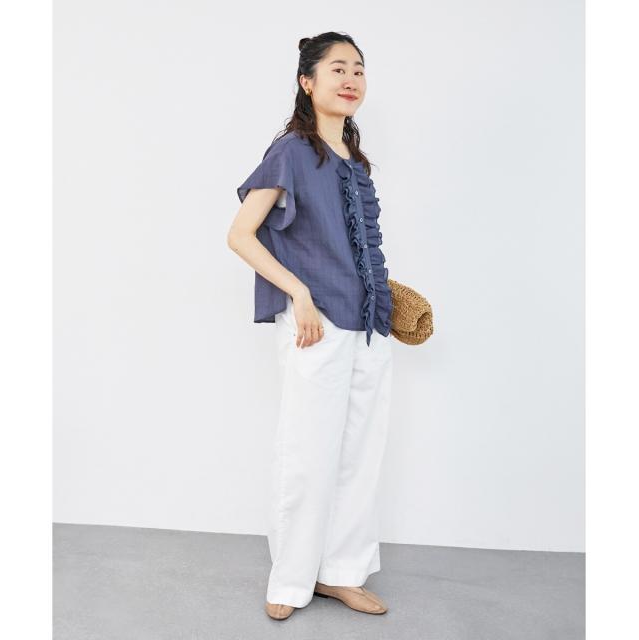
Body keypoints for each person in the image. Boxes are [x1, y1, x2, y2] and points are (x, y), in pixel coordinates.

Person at [227, 31, 394, 620]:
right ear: (307, 81)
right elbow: (240, 235)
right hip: (316, 325)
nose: (351, 80)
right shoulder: (292, 152)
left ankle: (341, 572)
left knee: (358, 454)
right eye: (337, 68)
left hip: (369, 324)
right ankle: (292, 578)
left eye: (359, 70)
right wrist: (298, 292)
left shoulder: (355, 159)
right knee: (308, 451)